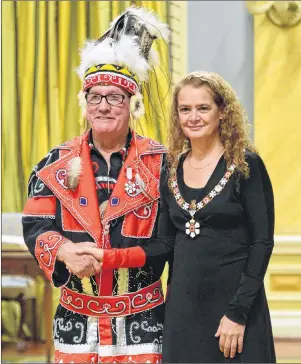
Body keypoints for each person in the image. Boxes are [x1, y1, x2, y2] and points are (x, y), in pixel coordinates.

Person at [78, 71, 276, 363]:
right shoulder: (170, 167)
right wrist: (108, 257)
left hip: (235, 309)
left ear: (222, 112)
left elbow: (262, 243)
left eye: (203, 108)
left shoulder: (246, 165)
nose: (193, 117)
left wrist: (238, 313)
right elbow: (164, 244)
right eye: (185, 109)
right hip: (184, 311)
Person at [22, 7, 173, 363]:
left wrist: (113, 258)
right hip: (76, 320)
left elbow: (170, 242)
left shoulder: (163, 164)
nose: (103, 106)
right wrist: (63, 251)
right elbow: (35, 225)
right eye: (95, 97)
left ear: (133, 104)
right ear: (85, 104)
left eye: (115, 97)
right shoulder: (53, 163)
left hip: (143, 321)